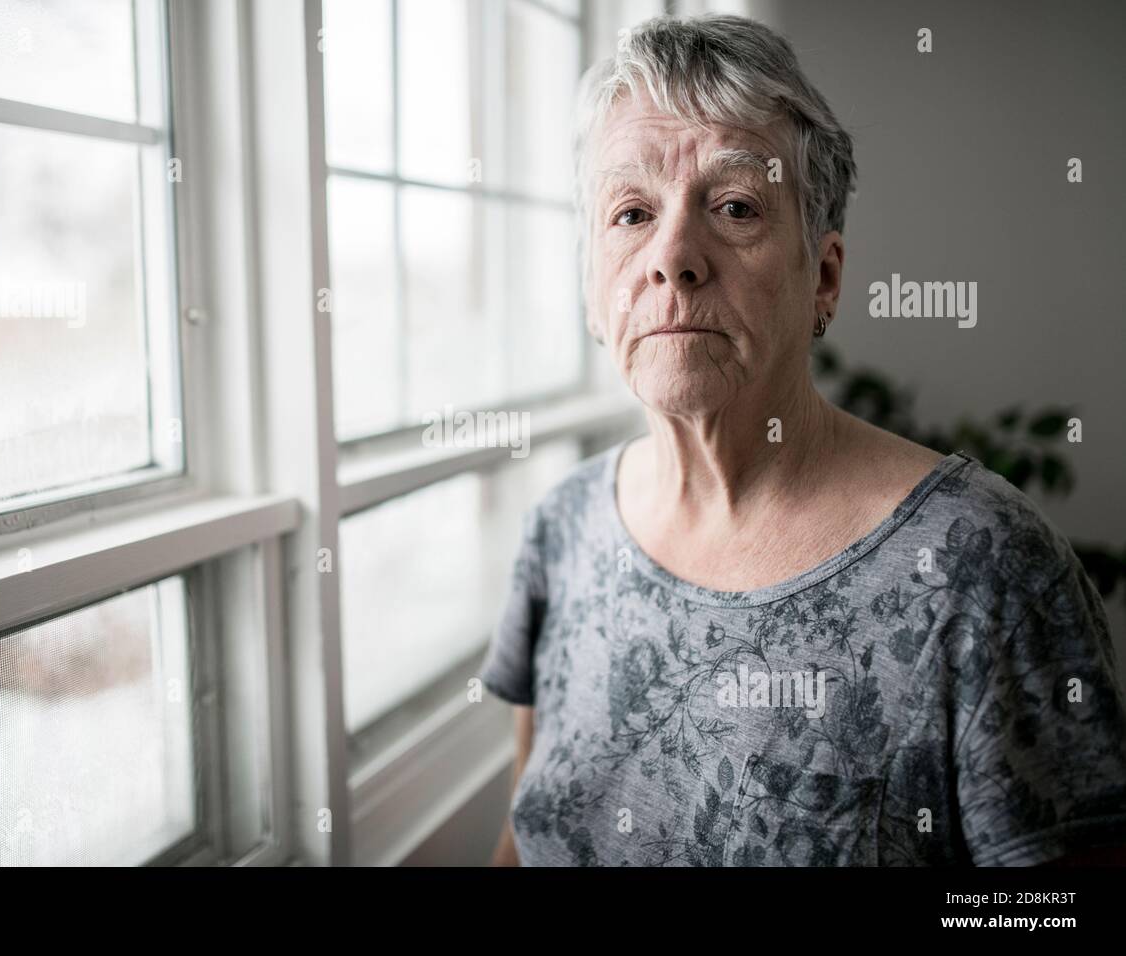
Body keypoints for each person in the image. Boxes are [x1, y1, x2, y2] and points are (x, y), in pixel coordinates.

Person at [479, 13, 1126, 866]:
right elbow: (522, 840)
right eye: (631, 212)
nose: (672, 256)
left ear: (822, 277)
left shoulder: (986, 568)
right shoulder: (559, 529)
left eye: (736, 206)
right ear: (592, 286)